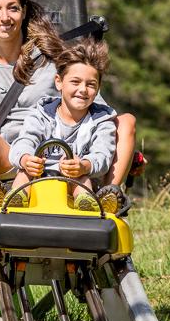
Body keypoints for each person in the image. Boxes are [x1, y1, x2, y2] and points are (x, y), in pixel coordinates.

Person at [0, 0, 138, 208]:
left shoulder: (51, 57)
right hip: (10, 159)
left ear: (23, 12)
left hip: (62, 154)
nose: (4, 17)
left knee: (125, 121)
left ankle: (108, 195)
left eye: (12, 8)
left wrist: (87, 160)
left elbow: (96, 108)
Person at [6, 39, 118, 211]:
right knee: (24, 173)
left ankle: (86, 207)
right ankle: (15, 200)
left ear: (98, 88)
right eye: (75, 82)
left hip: (76, 179)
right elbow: (25, 140)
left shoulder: (102, 120)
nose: (83, 89)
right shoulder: (41, 113)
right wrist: (26, 159)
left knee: (83, 180)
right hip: (40, 177)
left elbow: (103, 154)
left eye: (90, 85)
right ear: (59, 82)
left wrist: (84, 165)